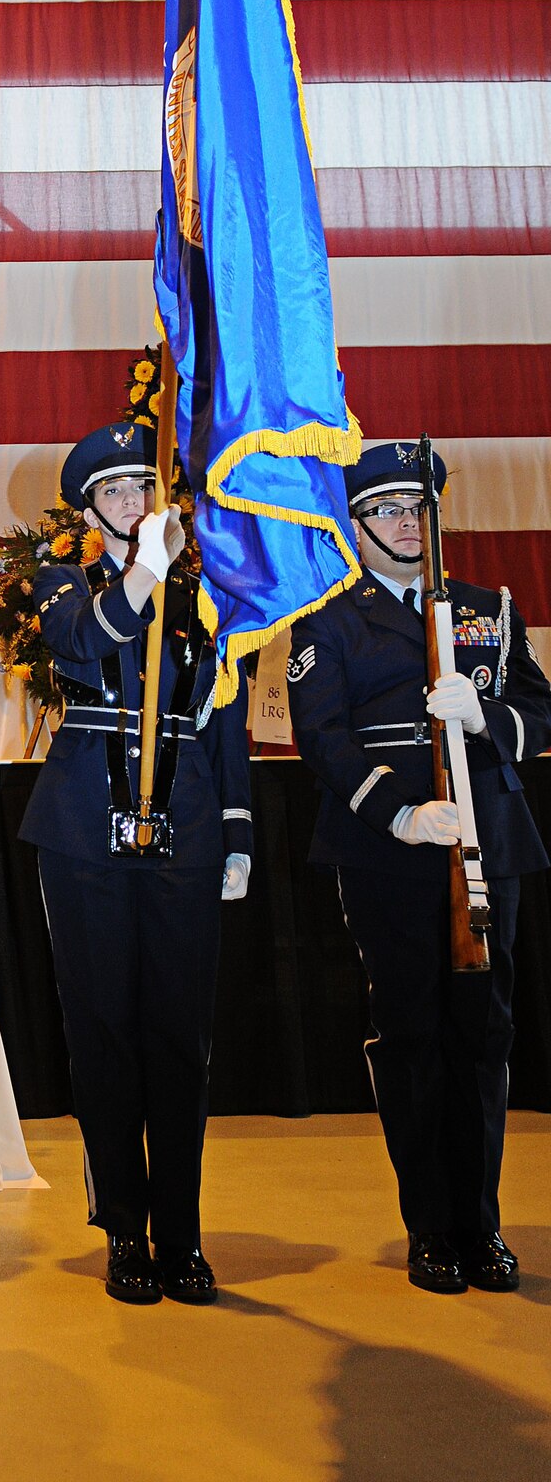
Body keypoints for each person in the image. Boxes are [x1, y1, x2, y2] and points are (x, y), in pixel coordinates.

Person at [287, 440, 551, 1295]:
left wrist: (488, 716)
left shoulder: (485, 609)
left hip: (489, 843)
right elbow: (321, 737)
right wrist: (395, 811)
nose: (409, 524)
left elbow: (541, 713)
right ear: (356, 524)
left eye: (420, 509)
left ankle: (482, 1222)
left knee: (485, 1037)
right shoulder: (330, 618)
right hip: (389, 851)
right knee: (412, 1037)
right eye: (390, 510)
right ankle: (431, 1226)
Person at [22, 421, 251, 1307]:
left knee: (179, 1042)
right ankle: (124, 1226)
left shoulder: (208, 599)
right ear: (89, 509)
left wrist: (235, 831)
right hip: (84, 832)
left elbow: (222, 719)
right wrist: (147, 568)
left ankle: (182, 1233)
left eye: (142, 488)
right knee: (104, 1036)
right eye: (114, 492)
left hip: (186, 826)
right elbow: (86, 642)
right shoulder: (59, 583)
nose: (131, 502)